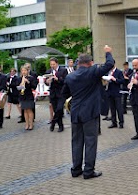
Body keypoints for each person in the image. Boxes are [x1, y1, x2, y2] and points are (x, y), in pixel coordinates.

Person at [62, 45, 114, 179]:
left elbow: (65, 93)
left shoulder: (70, 76)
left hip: (75, 112)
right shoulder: (93, 71)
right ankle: (88, 171)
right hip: (90, 112)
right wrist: (108, 52)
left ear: (79, 63)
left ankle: (76, 169)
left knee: (76, 142)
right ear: (90, 63)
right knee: (90, 141)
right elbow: (109, 64)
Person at [45, 58, 68, 132]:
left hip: (61, 92)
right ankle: (60, 126)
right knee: (56, 110)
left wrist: (57, 79)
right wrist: (47, 81)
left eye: (53, 64)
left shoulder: (63, 70)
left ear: (57, 63)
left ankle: (53, 122)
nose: (52, 66)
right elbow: (45, 82)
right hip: (53, 93)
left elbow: (66, 81)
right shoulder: (49, 71)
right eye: (51, 64)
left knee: (59, 109)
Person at [17, 66, 37, 130]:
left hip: (29, 96)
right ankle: (27, 124)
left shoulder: (31, 78)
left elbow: (34, 86)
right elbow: (18, 88)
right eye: (22, 71)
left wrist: (28, 82)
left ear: (27, 71)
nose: (23, 72)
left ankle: (31, 124)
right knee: (25, 110)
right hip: (22, 96)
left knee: (29, 110)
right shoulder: (19, 78)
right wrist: (21, 84)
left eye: (25, 71)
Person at [105, 64, 125, 129]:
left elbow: (122, 81)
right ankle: (114, 122)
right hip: (110, 92)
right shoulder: (109, 72)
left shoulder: (119, 72)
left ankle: (121, 123)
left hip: (117, 93)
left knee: (119, 109)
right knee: (112, 109)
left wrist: (115, 79)